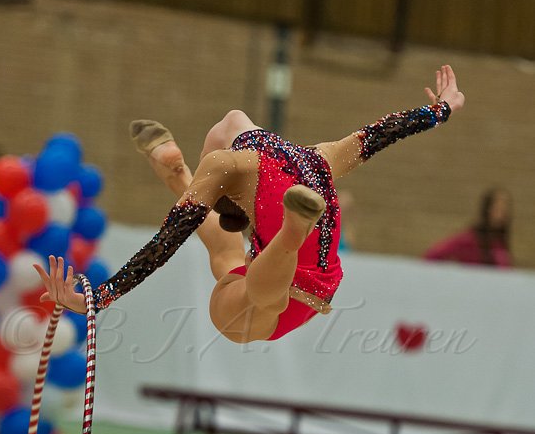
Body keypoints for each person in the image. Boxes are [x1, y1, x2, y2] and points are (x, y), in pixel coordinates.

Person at [35, 65, 465, 343]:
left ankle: (283, 234)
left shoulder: (227, 164)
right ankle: (194, 184)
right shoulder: (321, 155)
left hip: (276, 286)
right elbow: (382, 133)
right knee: (230, 261)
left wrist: (99, 298)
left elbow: (168, 240)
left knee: (241, 305)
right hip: (318, 281)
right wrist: (442, 109)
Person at [425, 187, 512, 267]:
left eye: (505, 208)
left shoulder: (499, 244)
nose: (503, 213)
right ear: (487, 209)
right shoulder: (469, 239)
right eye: (498, 208)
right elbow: (433, 255)